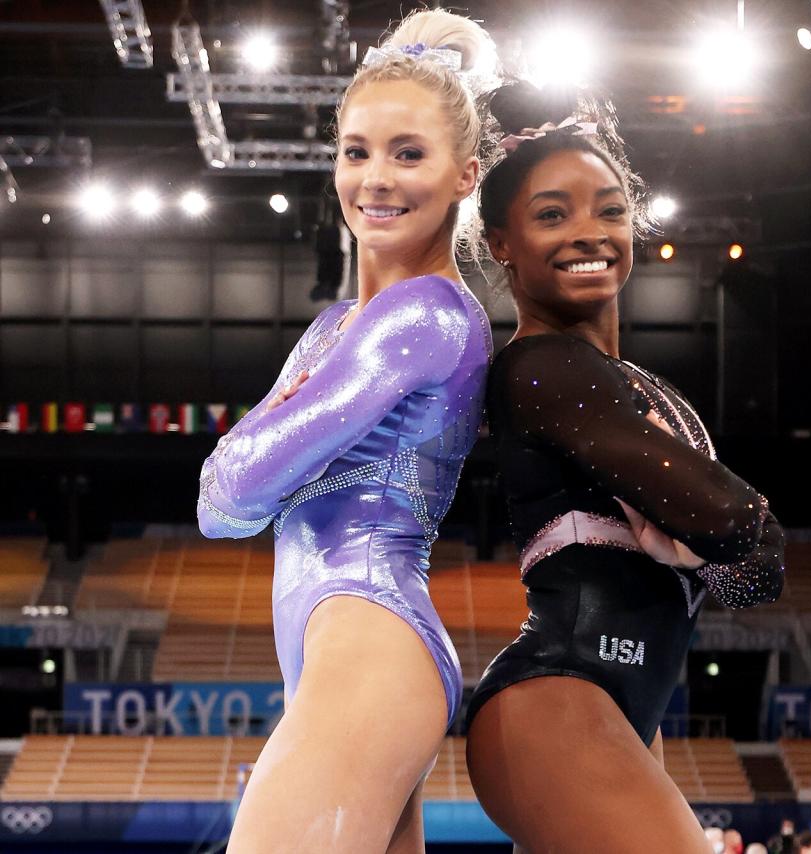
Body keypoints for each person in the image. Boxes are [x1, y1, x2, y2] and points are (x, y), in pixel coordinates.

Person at [197, 10, 495, 852]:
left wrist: (265, 437)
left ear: (465, 173)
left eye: (409, 153)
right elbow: (220, 503)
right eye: (356, 151)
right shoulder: (336, 326)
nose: (376, 178)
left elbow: (234, 487)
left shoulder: (426, 318)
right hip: (330, 646)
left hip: (369, 630)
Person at [463, 80, 786, 853]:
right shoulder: (542, 370)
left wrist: (722, 542)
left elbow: (756, 573)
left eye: (610, 209)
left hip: (620, 715)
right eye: (552, 214)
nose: (590, 232)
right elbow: (738, 525)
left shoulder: (641, 388)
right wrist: (710, 539)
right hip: (553, 702)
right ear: (501, 240)